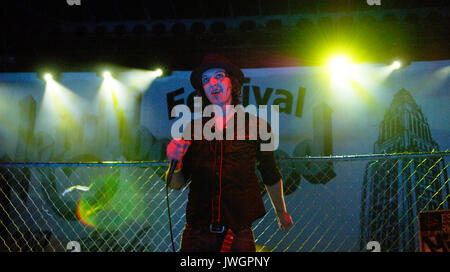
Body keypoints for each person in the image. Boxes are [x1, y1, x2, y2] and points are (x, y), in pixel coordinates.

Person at [166, 54, 293, 252]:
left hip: (238, 233)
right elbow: (176, 184)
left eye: (219, 76)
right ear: (203, 90)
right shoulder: (191, 129)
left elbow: (270, 174)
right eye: (206, 80)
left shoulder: (257, 126)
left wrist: (281, 212)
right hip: (197, 235)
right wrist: (177, 163)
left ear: (232, 83)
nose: (212, 83)